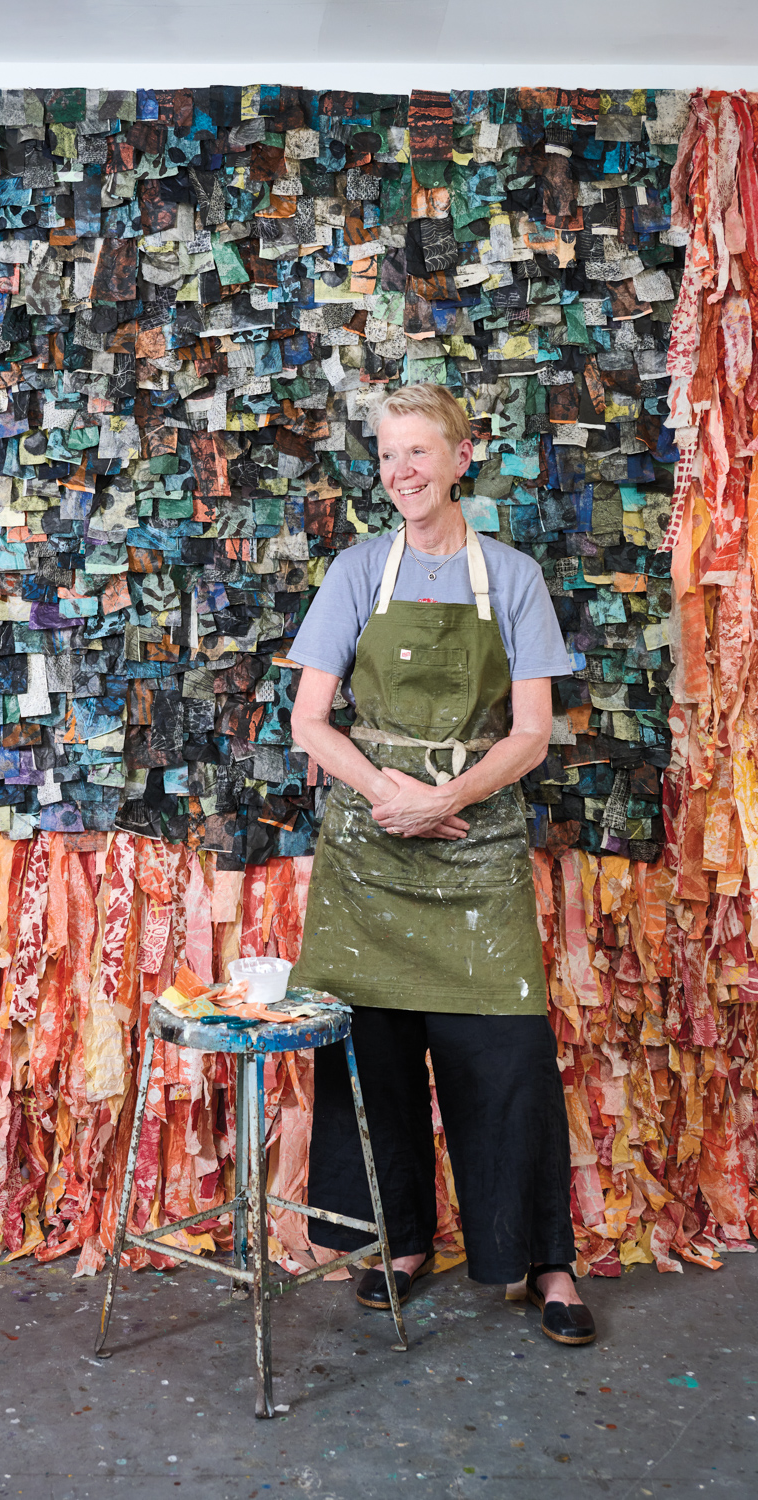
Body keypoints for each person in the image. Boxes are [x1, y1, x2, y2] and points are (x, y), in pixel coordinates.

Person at [288, 383, 595, 1346]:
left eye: (421, 452)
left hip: (475, 846)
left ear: (465, 457)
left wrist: (445, 799)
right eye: (388, 455)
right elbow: (309, 722)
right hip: (369, 851)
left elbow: (535, 733)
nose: (403, 472)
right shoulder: (355, 572)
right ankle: (400, 1239)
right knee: (373, 1058)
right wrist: (388, 796)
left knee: (505, 1061)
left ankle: (545, 1260)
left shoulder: (509, 577)